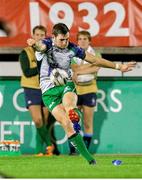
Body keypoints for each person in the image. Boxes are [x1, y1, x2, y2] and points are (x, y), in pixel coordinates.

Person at [28, 23, 136, 164]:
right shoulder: (46, 45)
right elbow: (40, 46)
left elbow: (95, 60)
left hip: (66, 83)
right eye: (62, 39)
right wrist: (34, 44)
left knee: (69, 105)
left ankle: (74, 113)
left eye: (67, 39)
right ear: (53, 37)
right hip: (48, 91)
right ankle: (90, 160)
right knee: (65, 123)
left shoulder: (72, 48)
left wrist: (118, 66)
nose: (65, 42)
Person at [19, 25, 56, 156]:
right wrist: (41, 65)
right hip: (31, 88)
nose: (39, 37)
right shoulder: (26, 52)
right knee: (38, 120)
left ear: (45, 37)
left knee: (45, 120)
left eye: (42, 35)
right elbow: (28, 72)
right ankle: (49, 144)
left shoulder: (49, 51)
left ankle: (40, 151)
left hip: (46, 87)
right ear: (33, 36)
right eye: (37, 35)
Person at [69, 31, 100, 154]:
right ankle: (73, 150)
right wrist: (84, 69)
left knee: (87, 122)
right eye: (80, 39)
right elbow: (72, 68)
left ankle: (85, 151)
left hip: (89, 89)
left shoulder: (96, 53)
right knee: (73, 121)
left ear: (89, 41)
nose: (82, 41)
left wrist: (78, 71)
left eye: (85, 39)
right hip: (75, 90)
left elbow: (96, 67)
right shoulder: (72, 54)